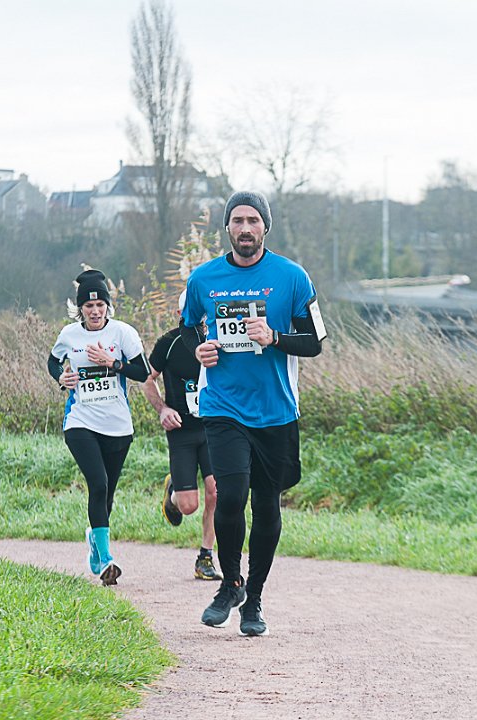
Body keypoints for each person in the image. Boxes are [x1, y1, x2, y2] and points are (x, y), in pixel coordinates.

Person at [180, 191, 326, 636]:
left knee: (266, 504)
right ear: (227, 227)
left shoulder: (292, 277)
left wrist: (275, 337)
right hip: (223, 406)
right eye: (238, 221)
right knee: (229, 496)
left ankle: (254, 599)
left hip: (276, 411)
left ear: (265, 226)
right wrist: (199, 350)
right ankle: (230, 584)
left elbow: (315, 342)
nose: (245, 228)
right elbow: (187, 332)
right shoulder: (203, 279)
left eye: (253, 220)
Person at [47, 269, 150, 586]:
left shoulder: (123, 333)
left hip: (117, 425)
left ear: (108, 307)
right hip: (80, 420)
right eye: (89, 306)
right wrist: (61, 378)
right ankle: (106, 560)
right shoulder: (70, 335)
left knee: (107, 495)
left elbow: (143, 372)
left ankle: (95, 540)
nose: (95, 311)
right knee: (98, 483)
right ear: (80, 309)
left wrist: (112, 363)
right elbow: (53, 361)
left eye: (100, 305)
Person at [142, 291, 222, 581]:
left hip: (213, 429)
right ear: (180, 315)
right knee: (188, 506)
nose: (199, 320)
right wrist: (163, 409)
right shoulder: (169, 342)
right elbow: (146, 379)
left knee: (216, 491)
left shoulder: (219, 341)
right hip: (182, 432)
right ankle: (173, 493)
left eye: (204, 314)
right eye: (192, 314)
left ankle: (205, 557)